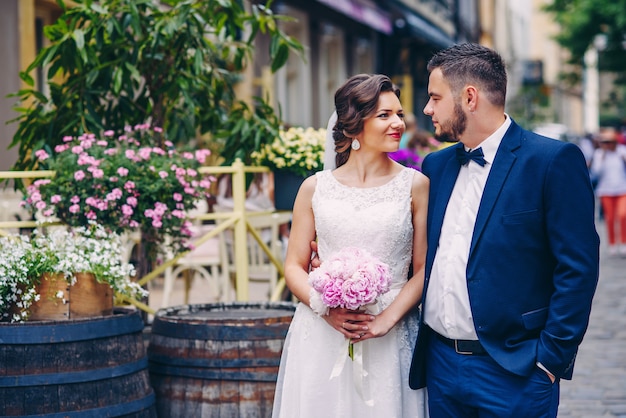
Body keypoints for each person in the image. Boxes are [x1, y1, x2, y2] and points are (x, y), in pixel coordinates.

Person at [408, 43, 599, 417]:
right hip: (441, 368)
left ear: (469, 97)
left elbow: (577, 268)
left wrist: (549, 360)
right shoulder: (435, 166)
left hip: (516, 373)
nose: (427, 109)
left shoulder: (551, 161)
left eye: (434, 97)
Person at [272, 74, 430, 417]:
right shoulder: (314, 188)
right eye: (384, 115)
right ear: (354, 126)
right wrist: (325, 309)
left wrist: (386, 320)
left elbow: (422, 271)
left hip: (391, 333)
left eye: (399, 114)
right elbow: (293, 267)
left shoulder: (416, 185)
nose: (398, 124)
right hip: (322, 331)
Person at [589, 126, 626, 256]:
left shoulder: (622, 151)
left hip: (622, 188)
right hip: (605, 190)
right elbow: (595, 173)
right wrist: (602, 158)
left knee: (622, 215)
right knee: (610, 218)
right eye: (605, 142)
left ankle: (623, 242)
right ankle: (612, 243)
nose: (607, 144)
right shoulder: (599, 154)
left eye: (609, 142)